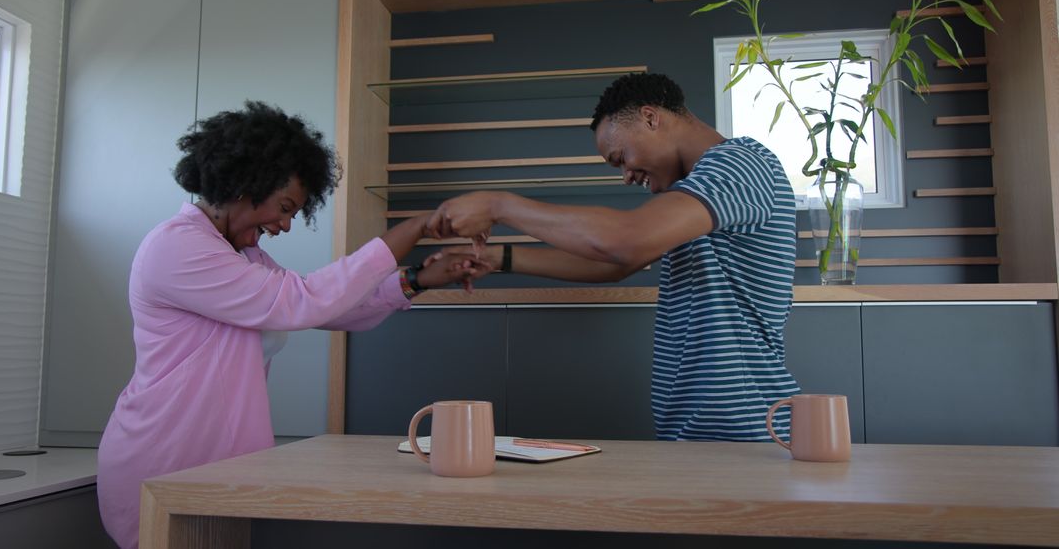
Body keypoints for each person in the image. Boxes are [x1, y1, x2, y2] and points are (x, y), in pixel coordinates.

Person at [97, 101, 483, 548]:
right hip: (161, 462)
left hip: (214, 471)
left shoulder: (241, 258)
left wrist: (417, 280)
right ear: (245, 184)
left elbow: (332, 309)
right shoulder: (177, 247)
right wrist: (412, 228)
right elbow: (302, 302)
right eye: (283, 207)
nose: (284, 225)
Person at [428, 73, 801, 442]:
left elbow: (626, 240)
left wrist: (499, 205)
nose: (625, 176)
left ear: (651, 117)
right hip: (700, 433)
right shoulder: (699, 192)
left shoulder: (738, 163)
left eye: (621, 158)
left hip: (748, 431)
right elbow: (614, 263)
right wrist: (498, 258)